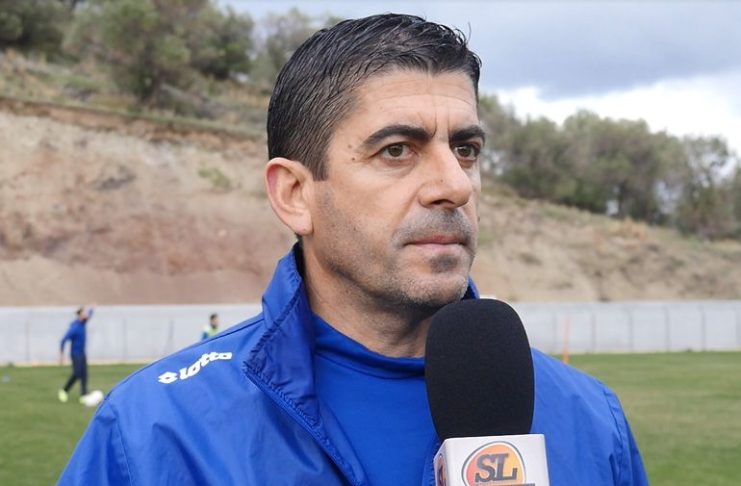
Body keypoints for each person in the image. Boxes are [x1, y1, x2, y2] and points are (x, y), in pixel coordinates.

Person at [59, 14, 648, 485]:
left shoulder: (591, 422)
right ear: (295, 195)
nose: (455, 184)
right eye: (397, 150)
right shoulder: (152, 433)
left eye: (465, 149)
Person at [58, 305, 94, 404]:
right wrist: (61, 355)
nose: (86, 315)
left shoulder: (83, 323)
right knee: (77, 373)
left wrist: (92, 308)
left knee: (84, 374)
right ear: (80, 315)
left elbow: (90, 314)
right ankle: (64, 390)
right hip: (76, 354)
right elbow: (63, 340)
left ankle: (83, 395)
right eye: (84, 313)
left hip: (82, 353)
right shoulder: (75, 327)